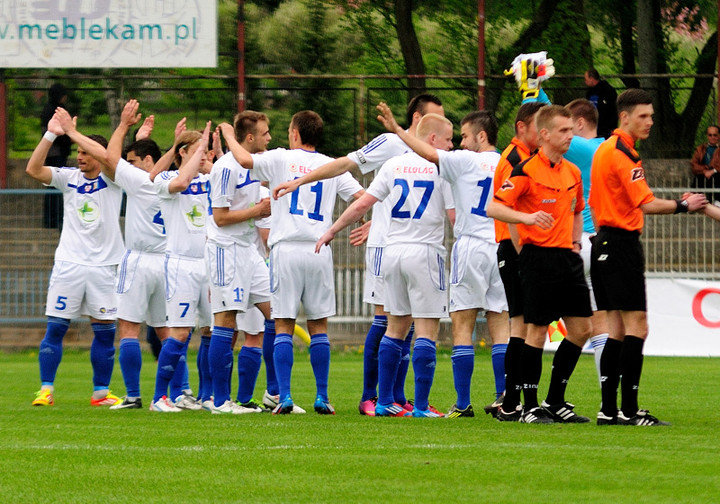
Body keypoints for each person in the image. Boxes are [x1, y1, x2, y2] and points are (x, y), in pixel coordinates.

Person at [272, 94, 445, 416]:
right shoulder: (392, 144)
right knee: (388, 319)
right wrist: (302, 181)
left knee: (405, 323)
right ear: (419, 119)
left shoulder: (438, 157)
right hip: (387, 245)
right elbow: (345, 165)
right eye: (435, 119)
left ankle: (398, 396)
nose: (441, 130)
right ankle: (371, 396)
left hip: (408, 243)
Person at [221, 110, 364, 415]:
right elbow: (363, 196)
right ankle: (323, 396)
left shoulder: (280, 158)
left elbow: (246, 161)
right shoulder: (331, 165)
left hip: (285, 250)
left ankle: (284, 395)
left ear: (296, 133)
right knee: (319, 327)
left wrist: (229, 136)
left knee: (283, 324)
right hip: (318, 248)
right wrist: (365, 222)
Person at [316, 113, 455, 417]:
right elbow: (455, 216)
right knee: (426, 331)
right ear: (431, 139)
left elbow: (363, 203)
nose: (451, 144)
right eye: (448, 138)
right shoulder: (443, 165)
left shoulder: (392, 165)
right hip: (425, 252)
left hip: (392, 253)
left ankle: (384, 402)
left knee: (394, 328)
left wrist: (331, 231)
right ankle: (419, 406)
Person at [375, 103, 508, 418]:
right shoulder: (507, 162)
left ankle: (462, 404)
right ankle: (505, 398)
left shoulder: (464, 160)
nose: (461, 143)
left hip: (470, 246)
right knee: (501, 325)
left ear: (481, 136)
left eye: (464, 136)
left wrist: (396, 129)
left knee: (462, 326)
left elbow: (430, 152)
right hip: (501, 246)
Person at [589, 89, 707, 426]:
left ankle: (609, 410)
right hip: (621, 244)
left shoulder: (604, 150)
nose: (650, 122)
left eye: (652, 116)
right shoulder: (623, 154)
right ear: (624, 117)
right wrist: (685, 205)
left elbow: (598, 202)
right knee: (637, 326)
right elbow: (647, 203)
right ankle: (628, 409)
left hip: (605, 242)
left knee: (615, 328)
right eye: (643, 116)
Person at [488, 105, 593, 424]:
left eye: (572, 131)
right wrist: (526, 217)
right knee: (535, 330)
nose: (570, 136)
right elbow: (494, 207)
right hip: (537, 257)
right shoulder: (524, 168)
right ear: (544, 134)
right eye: (563, 131)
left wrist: (575, 243)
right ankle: (529, 406)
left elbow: (578, 209)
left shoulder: (572, 172)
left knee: (581, 329)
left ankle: (555, 400)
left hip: (566, 257)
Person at [27, 111, 124, 408]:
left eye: (84, 152)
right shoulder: (68, 178)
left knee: (105, 332)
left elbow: (111, 159)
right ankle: (45, 390)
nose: (80, 157)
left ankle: (100, 393)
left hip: (104, 267)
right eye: (78, 152)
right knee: (55, 328)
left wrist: (74, 132)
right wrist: (52, 134)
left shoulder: (113, 179)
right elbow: (34, 169)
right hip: (69, 264)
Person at [205, 112, 276, 414]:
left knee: (278, 312)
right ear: (250, 138)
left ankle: (275, 393)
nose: (269, 138)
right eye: (265, 133)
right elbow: (220, 218)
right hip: (225, 250)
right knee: (226, 320)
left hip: (248, 250)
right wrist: (257, 212)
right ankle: (220, 401)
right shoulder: (224, 168)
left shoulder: (255, 162)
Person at [149, 122, 213, 412]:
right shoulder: (166, 178)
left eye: (206, 150)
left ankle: (209, 395)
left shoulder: (211, 178)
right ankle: (159, 397)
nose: (204, 155)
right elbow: (180, 185)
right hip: (180, 265)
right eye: (198, 150)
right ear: (183, 152)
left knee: (213, 331)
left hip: (210, 264)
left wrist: (212, 160)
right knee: (180, 333)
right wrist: (194, 151)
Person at [490, 102, 545, 420]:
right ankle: (517, 401)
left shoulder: (519, 156)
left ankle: (512, 401)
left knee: (521, 327)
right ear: (522, 127)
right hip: (516, 250)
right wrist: (524, 255)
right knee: (523, 326)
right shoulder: (516, 160)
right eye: (540, 127)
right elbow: (508, 211)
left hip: (515, 250)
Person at [41, 84, 72, 230]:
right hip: (57, 153)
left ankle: (50, 220)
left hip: (51, 152)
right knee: (57, 186)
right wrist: (70, 138)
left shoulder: (47, 109)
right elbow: (60, 134)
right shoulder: (56, 111)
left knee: (52, 187)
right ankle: (56, 219)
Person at [584, 68, 618, 139]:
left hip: (606, 128)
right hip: (594, 128)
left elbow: (612, 109)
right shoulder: (589, 93)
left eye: (586, 79)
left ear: (591, 78)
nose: (585, 82)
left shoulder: (608, 90)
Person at [690, 125, 720, 203]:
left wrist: (713, 170)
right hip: (703, 173)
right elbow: (694, 164)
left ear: (719, 136)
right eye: (710, 135)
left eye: (715, 135)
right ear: (707, 136)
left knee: (717, 178)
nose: (712, 137)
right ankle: (695, 202)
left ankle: (717, 202)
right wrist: (704, 171)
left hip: (717, 174)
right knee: (698, 180)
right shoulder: (700, 149)